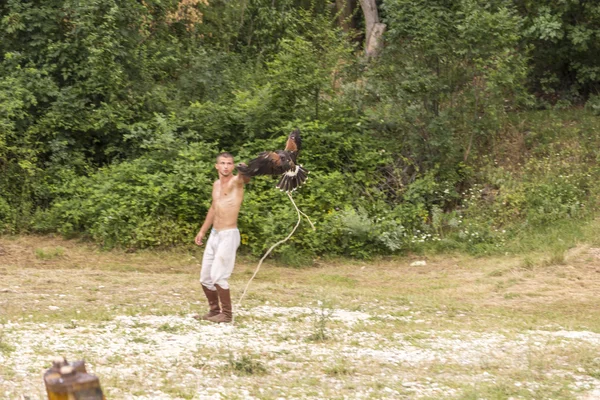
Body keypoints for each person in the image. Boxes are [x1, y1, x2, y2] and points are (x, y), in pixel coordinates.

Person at [194, 152, 250, 323]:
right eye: (223, 163)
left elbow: (244, 179)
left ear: (233, 166)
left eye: (230, 163)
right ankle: (214, 311)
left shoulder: (236, 182)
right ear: (216, 166)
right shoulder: (216, 184)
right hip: (214, 234)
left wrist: (244, 170)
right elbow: (213, 208)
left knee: (219, 276)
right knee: (205, 277)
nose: (226, 166)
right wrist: (203, 231)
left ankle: (226, 314)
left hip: (228, 234)